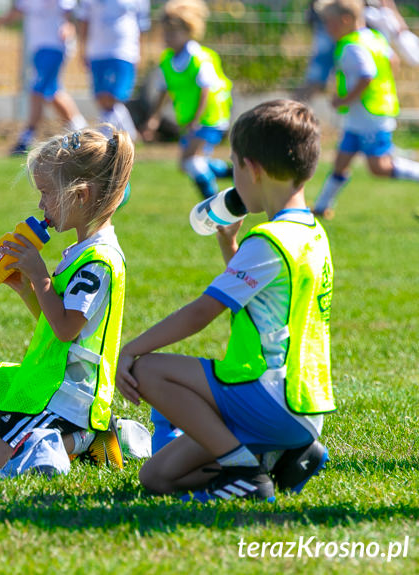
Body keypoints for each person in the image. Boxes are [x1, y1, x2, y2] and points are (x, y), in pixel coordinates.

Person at [117, 100, 334, 502]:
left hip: (268, 397)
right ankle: (278, 458)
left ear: (252, 168)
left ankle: (245, 471)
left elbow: (203, 312)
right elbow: (261, 297)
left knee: (149, 371)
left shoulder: (269, 239)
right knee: (157, 477)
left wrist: (131, 350)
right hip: (303, 409)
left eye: (233, 165)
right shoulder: (310, 234)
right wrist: (229, 244)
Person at [0, 127, 134, 471]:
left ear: (81, 196)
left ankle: (82, 436)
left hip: (65, 395)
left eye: (46, 193)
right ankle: (36, 435)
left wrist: (40, 275)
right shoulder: (80, 250)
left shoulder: (99, 261)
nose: (41, 204)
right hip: (42, 377)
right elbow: (54, 322)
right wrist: (26, 288)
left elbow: (67, 330)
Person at [313, 0, 419, 220]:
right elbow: (393, 60)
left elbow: (367, 75)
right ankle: (322, 207)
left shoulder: (352, 45)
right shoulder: (374, 37)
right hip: (365, 115)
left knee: (379, 168)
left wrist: (344, 99)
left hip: (370, 115)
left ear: (345, 20)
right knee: (341, 162)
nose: (326, 28)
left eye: (329, 23)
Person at [142, 0, 233, 200]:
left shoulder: (198, 57)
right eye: (165, 32)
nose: (168, 37)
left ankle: (213, 202)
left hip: (210, 117)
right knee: (185, 165)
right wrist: (154, 118)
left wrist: (196, 118)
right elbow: (163, 90)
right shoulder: (167, 59)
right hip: (190, 118)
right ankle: (233, 174)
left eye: (173, 33)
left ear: (189, 31)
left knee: (192, 160)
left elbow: (206, 89)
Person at [0, 0, 88, 156]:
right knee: (51, 91)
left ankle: (26, 138)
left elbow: (70, 14)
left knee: (38, 89)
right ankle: (80, 131)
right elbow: (18, 12)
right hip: (38, 47)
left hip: (55, 46)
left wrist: (69, 27)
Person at [296, 0, 419, 101]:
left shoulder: (360, 41)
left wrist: (346, 100)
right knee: (317, 77)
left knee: (317, 76)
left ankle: (292, 118)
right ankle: (292, 120)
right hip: (339, 11)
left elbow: (370, 74)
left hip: (356, 13)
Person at [76, 0, 150, 139]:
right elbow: (85, 20)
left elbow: (142, 25)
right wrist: (83, 48)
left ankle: (110, 133)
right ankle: (126, 133)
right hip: (97, 52)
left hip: (124, 51)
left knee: (115, 95)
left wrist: (140, 52)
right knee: (101, 96)